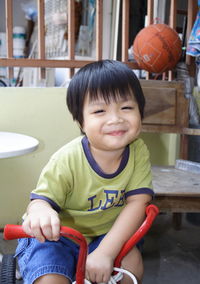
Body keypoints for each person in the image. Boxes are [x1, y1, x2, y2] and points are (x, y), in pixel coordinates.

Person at [15, 60, 154, 284]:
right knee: (50, 276)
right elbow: (40, 201)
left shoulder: (138, 151)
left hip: (107, 235)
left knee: (132, 265)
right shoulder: (67, 159)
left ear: (141, 110)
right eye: (100, 110)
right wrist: (41, 212)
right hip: (58, 237)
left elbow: (138, 203)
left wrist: (106, 252)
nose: (115, 118)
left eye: (126, 107)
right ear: (81, 120)